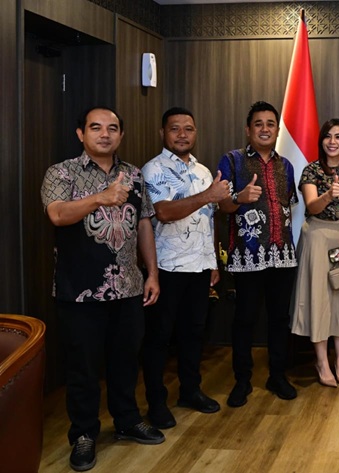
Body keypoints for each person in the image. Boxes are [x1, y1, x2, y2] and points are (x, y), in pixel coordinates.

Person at [41, 106, 164, 472]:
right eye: (96, 128)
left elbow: (144, 224)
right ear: (81, 134)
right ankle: (83, 434)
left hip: (128, 287)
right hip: (80, 291)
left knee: (126, 361)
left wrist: (152, 273)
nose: (105, 134)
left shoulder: (135, 175)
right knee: (83, 368)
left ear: (121, 135)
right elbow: (57, 214)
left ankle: (127, 420)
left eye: (112, 128)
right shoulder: (61, 172)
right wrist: (100, 197)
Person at [140, 107, 229, 429]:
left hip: (200, 266)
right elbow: (163, 212)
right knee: (159, 338)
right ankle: (156, 403)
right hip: (166, 268)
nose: (182, 134)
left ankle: (190, 391)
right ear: (162, 133)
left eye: (188, 129)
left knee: (194, 334)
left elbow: (210, 218)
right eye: (174, 128)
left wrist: (213, 260)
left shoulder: (204, 171)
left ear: (195, 133)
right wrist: (208, 195)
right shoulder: (153, 169)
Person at [217, 101, 299, 407]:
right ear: (248, 129)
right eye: (259, 124)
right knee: (245, 319)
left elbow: (289, 205)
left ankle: (277, 375)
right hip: (248, 257)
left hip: (283, 255)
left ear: (277, 130)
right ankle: (242, 381)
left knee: (279, 318)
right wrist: (239, 198)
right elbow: (221, 205)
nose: (265, 129)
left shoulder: (286, 166)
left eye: (270, 124)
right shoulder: (232, 160)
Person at [291, 118, 339, 387]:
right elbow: (312, 207)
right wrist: (329, 195)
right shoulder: (311, 170)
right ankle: (322, 362)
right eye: (328, 136)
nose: (332, 141)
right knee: (319, 300)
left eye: (338, 137)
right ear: (321, 140)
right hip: (318, 237)